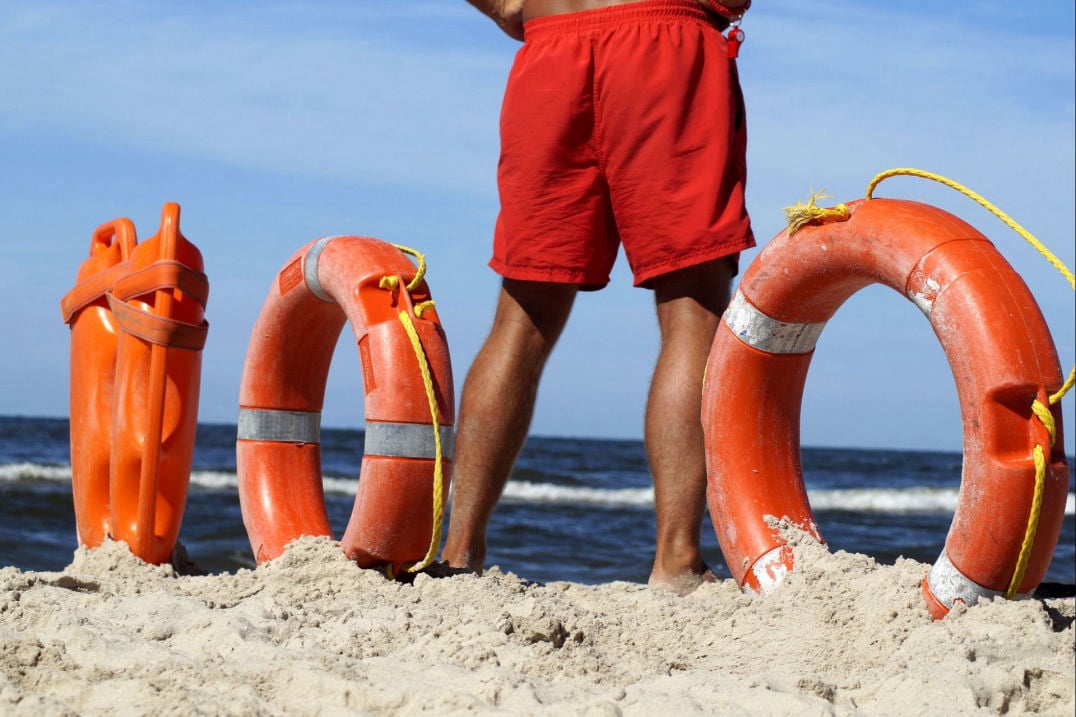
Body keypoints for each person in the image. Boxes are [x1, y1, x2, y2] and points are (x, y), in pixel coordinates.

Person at [442, 0, 755, 595]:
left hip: (551, 46)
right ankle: (677, 561)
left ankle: (460, 555)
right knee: (693, 310)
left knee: (522, 314)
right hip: (666, 42)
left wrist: (511, 7)